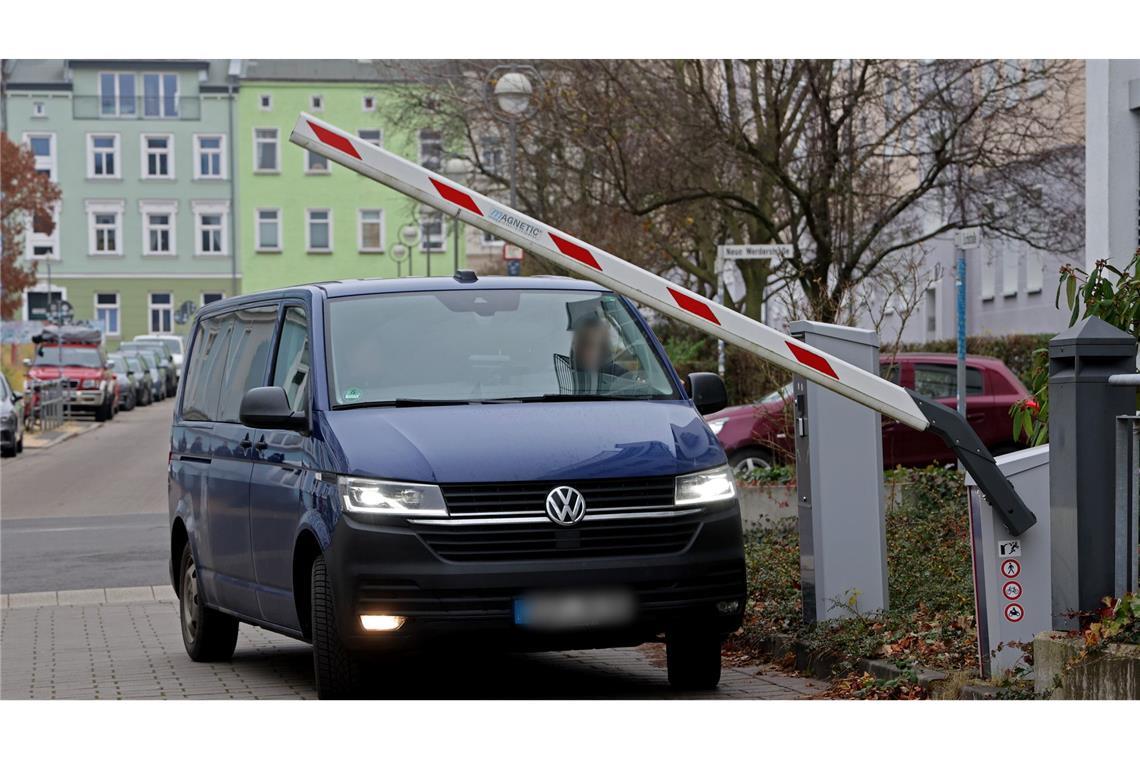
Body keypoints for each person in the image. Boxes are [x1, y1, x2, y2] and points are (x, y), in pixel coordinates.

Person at [569, 314, 627, 393]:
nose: (585, 351)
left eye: (590, 344)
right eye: (581, 343)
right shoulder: (565, 372)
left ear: (604, 348)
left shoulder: (619, 376)